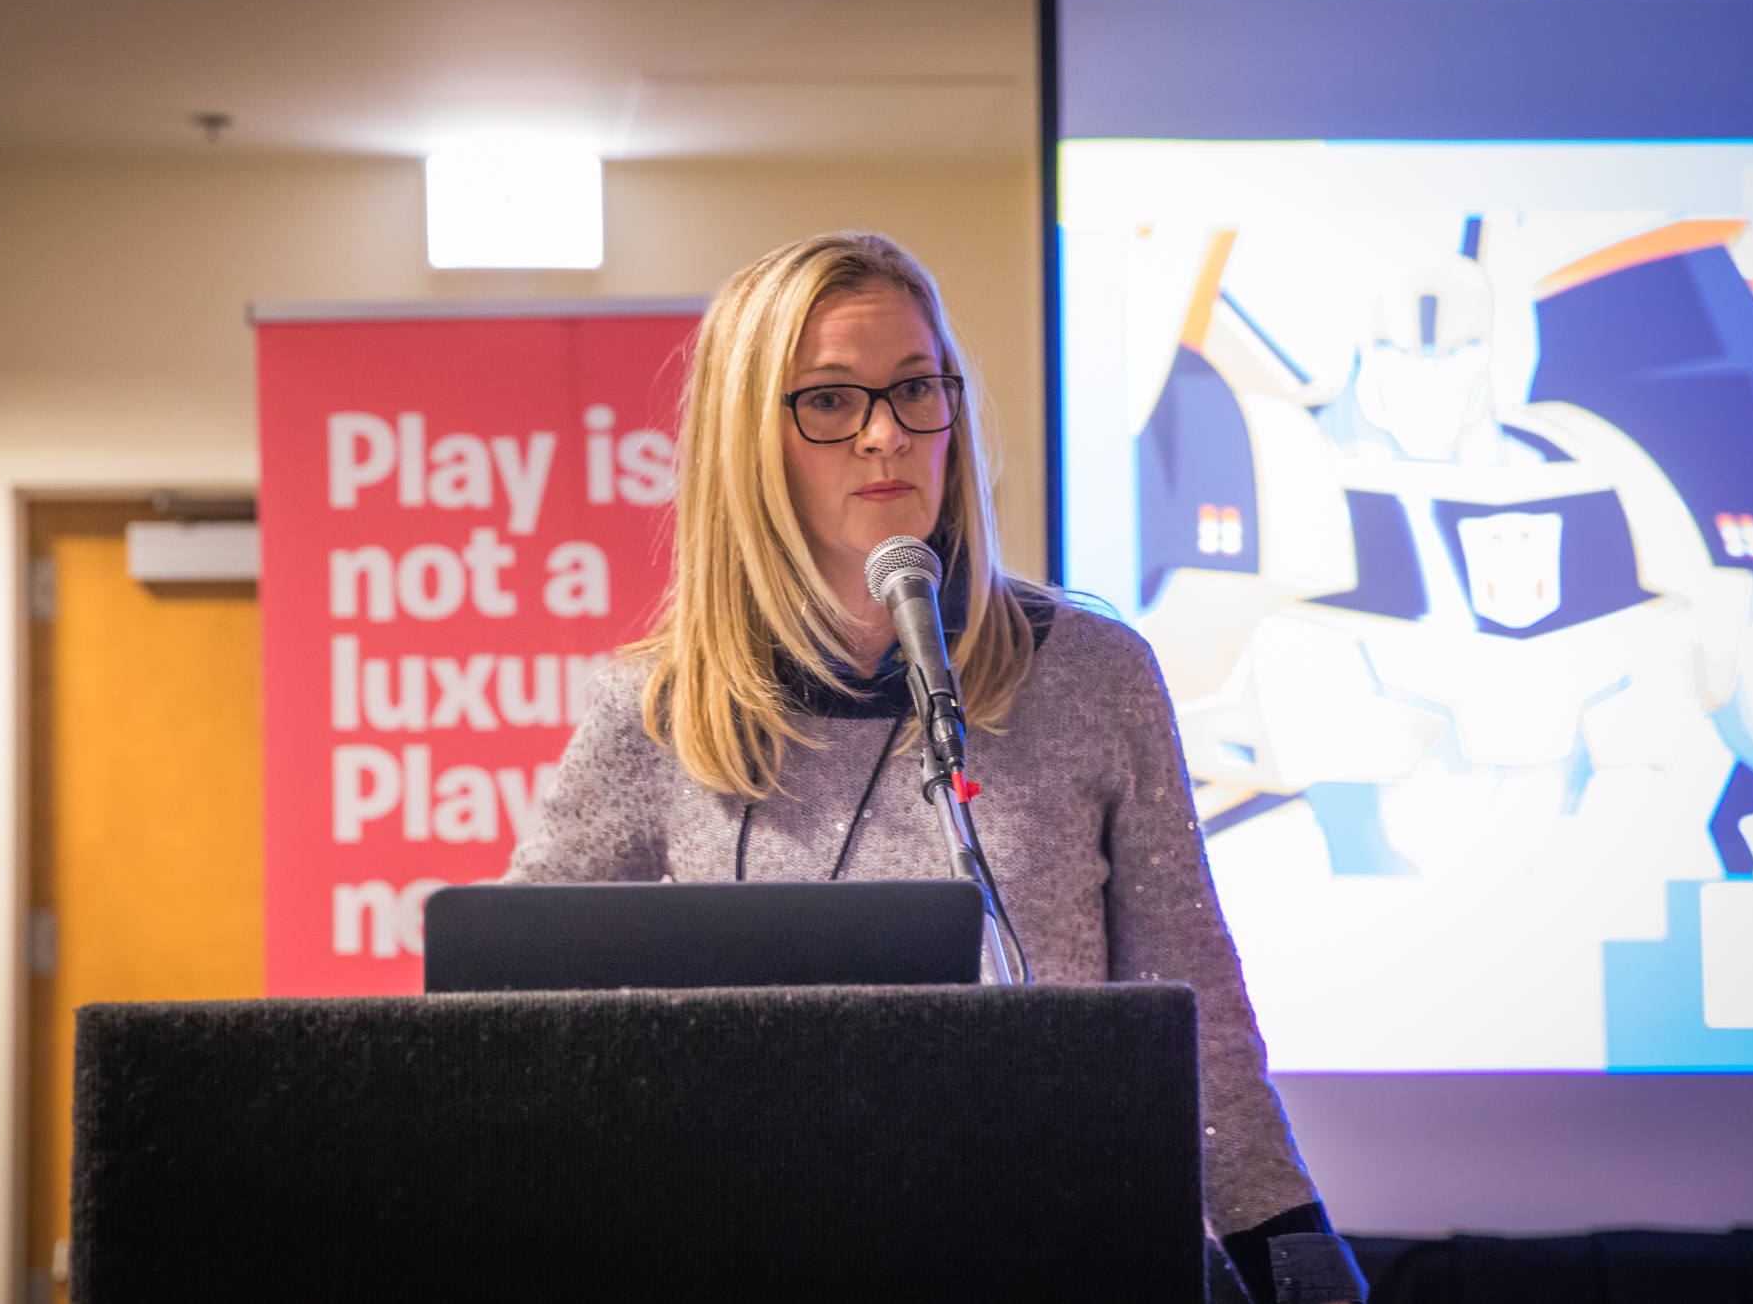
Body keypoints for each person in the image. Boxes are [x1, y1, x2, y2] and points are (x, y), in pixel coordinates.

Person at [504, 230, 1367, 1304]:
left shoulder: (1090, 675)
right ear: (747, 439)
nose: (886, 434)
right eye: (830, 400)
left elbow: (1191, 1011)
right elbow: (510, 1011)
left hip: (1056, 1253)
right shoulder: (659, 708)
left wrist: (1297, 1261)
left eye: (916, 389)